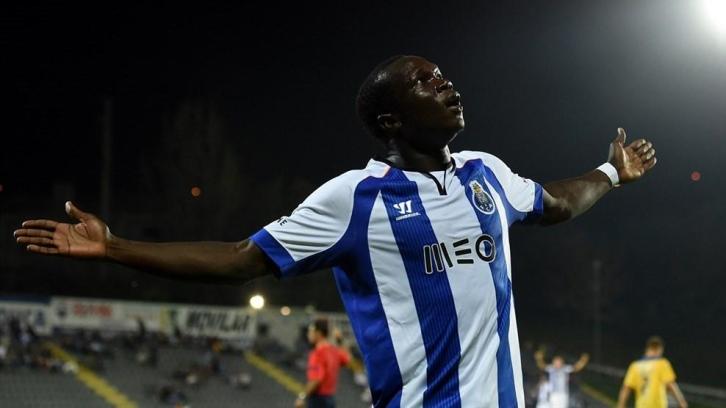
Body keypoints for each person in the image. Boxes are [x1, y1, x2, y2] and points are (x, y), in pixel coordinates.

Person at [13, 55, 657, 406]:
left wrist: (610, 173)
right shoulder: (353, 198)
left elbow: (554, 203)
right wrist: (116, 247)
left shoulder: (485, 173)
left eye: (442, 75)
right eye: (425, 82)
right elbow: (241, 258)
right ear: (390, 121)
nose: (446, 84)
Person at [617, 336, 687, 408]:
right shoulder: (662, 364)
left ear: (647, 349)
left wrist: (621, 405)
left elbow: (626, 389)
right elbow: (671, 384)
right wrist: (682, 402)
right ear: (660, 349)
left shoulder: (635, 366)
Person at [296, 318, 350, 408]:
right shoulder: (334, 351)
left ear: (318, 333)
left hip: (318, 400)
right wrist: (340, 340)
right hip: (330, 399)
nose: (308, 335)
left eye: (311, 332)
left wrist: (302, 397)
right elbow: (347, 358)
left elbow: (316, 379)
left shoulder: (318, 353)